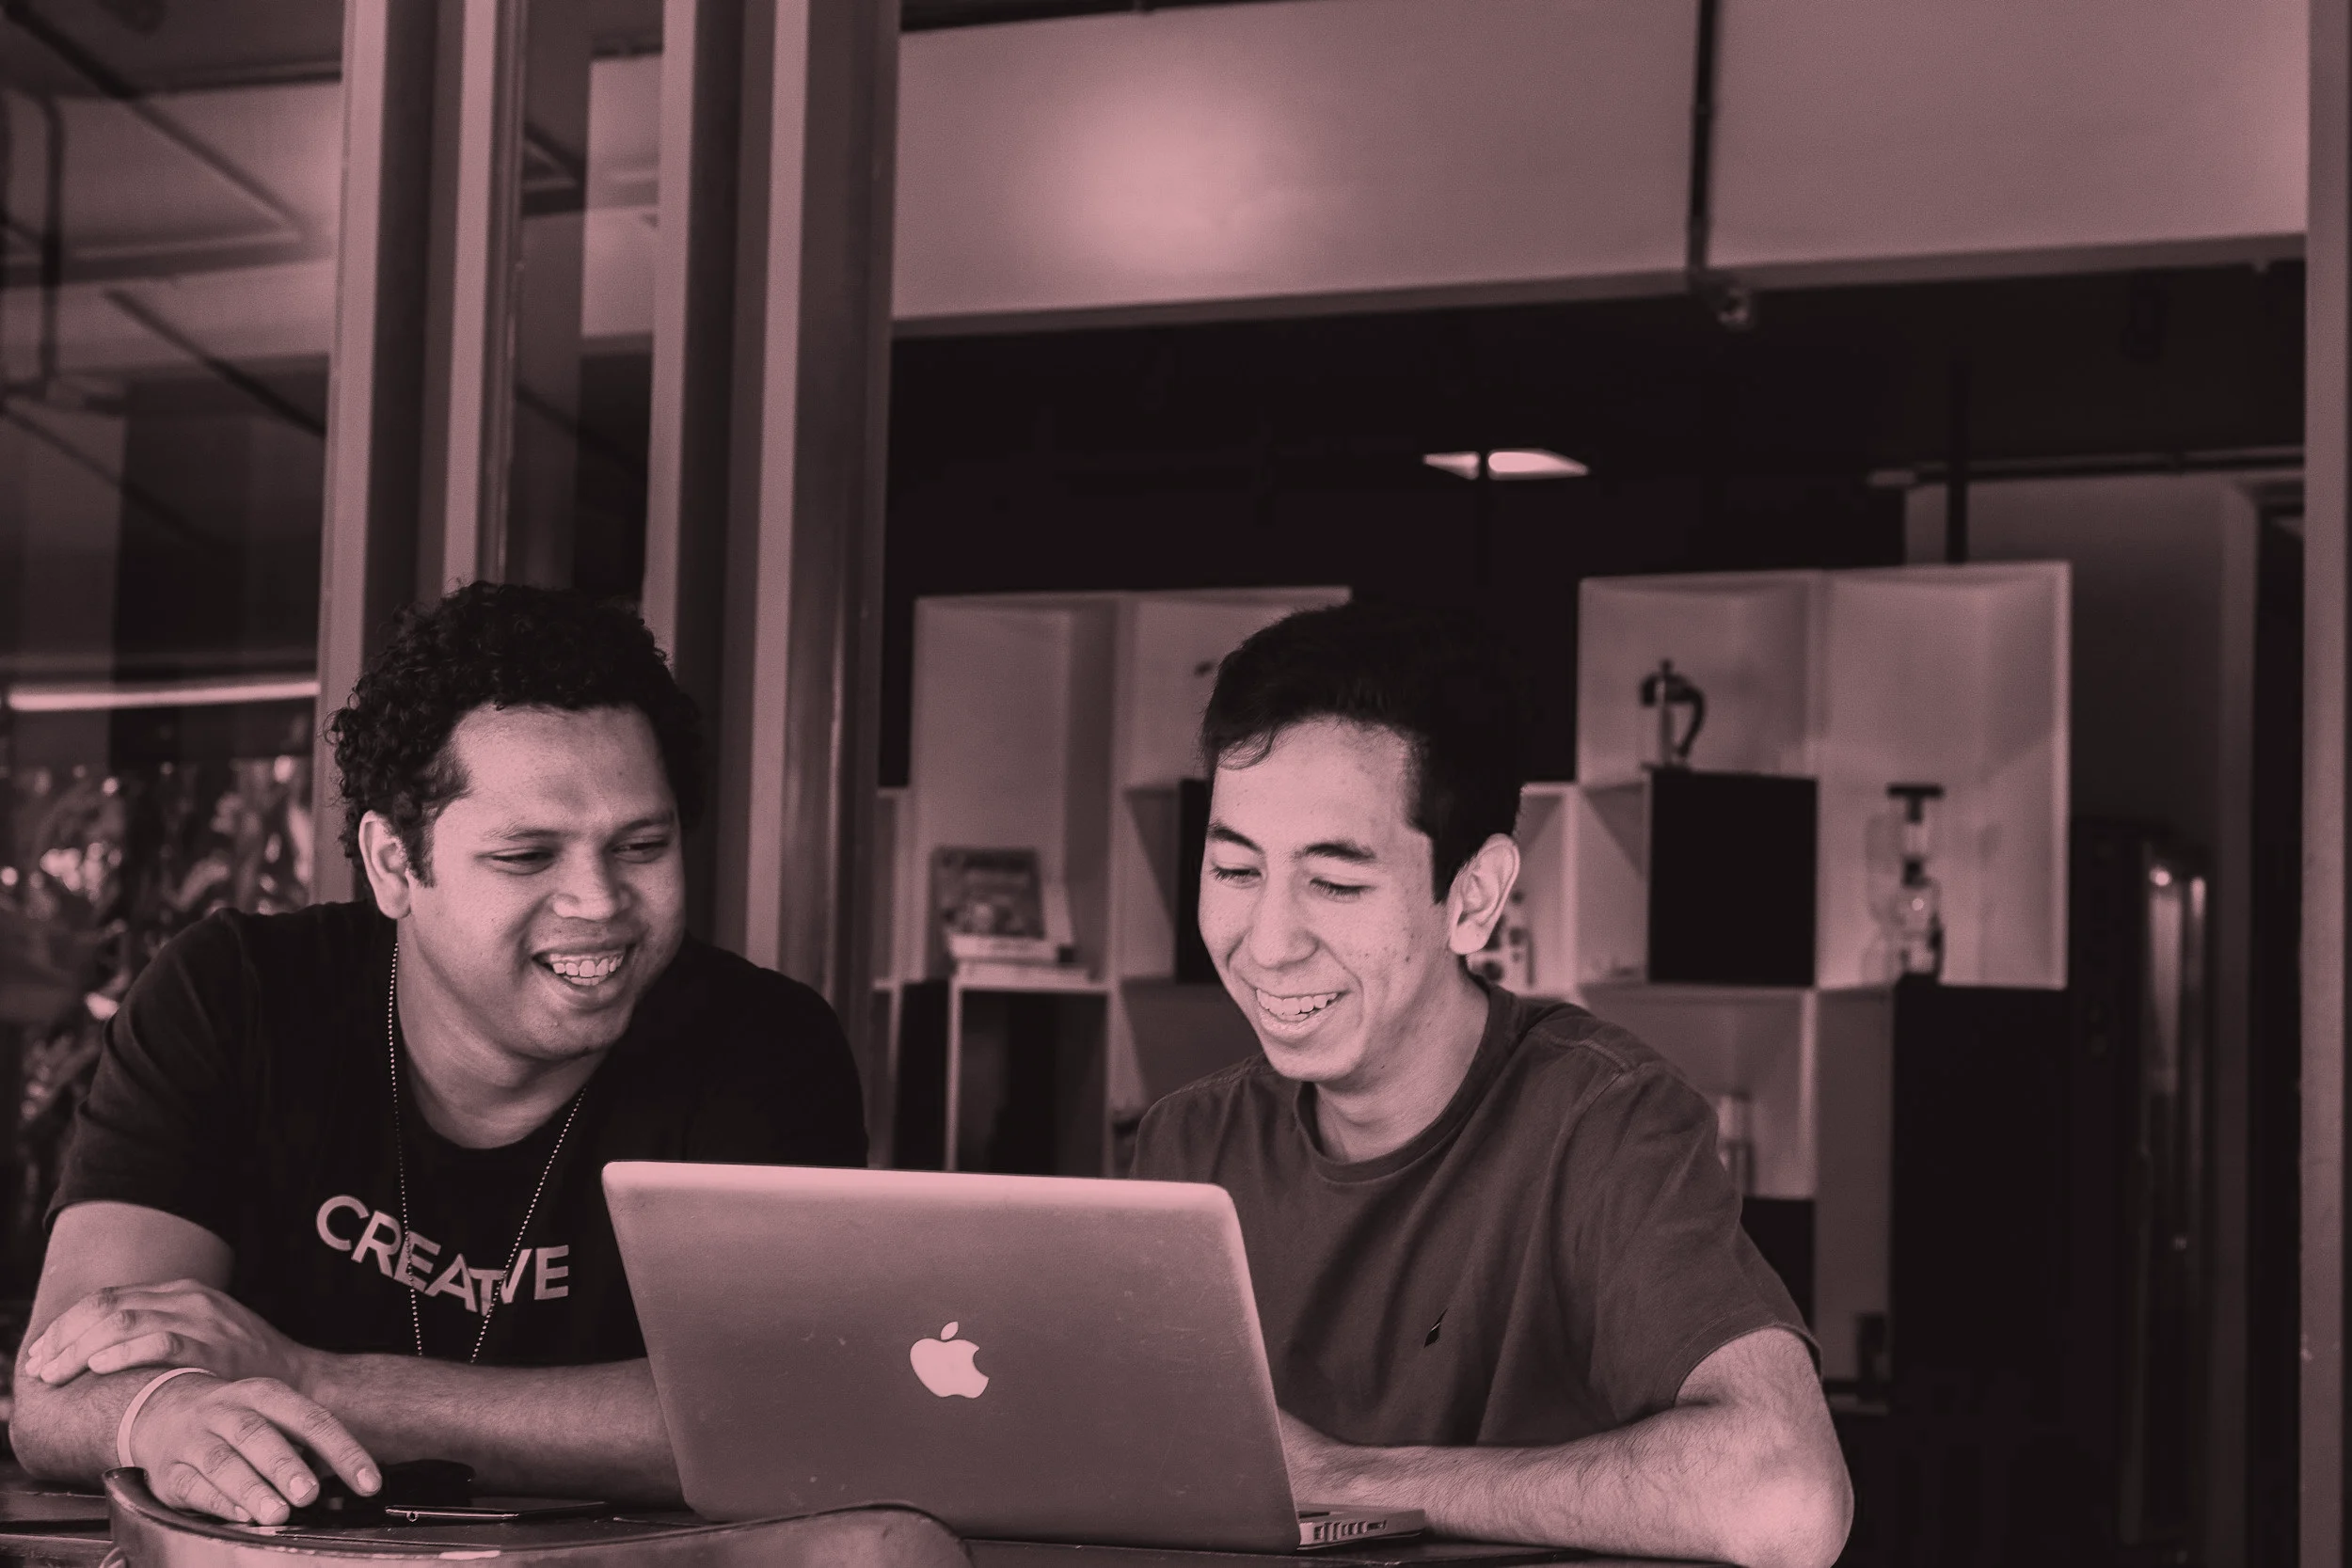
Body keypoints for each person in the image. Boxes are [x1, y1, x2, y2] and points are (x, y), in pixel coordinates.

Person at [10, 583, 866, 1526]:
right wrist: (162, 1411)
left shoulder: (762, 1045)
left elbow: (773, 1417)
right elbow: (61, 1385)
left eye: (641, 845)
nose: (598, 900)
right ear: (392, 864)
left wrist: (310, 1381)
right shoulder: (236, 995)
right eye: (526, 855)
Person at [1130, 601, 1851, 1568]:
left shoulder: (1604, 1120)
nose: (1267, 943)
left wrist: (1350, 1479)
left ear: (1473, 897)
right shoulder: (1189, 1140)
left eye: (1334, 883)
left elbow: (1788, 1497)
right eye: (1233, 868)